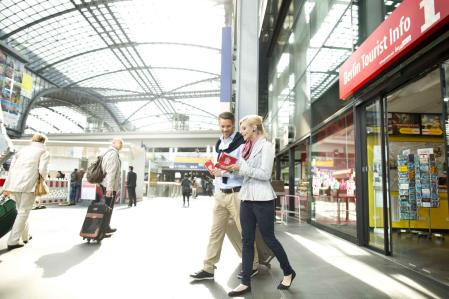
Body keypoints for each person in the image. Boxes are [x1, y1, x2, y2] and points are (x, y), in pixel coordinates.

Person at [225, 115, 296, 297]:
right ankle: (245, 282)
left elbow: (264, 174)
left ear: (255, 127)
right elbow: (246, 173)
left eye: (244, 129)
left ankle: (288, 271)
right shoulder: (246, 148)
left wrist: (241, 169)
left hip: (263, 200)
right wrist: (230, 168)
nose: (242, 133)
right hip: (247, 198)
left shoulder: (267, 146)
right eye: (241, 129)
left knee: (269, 238)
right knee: (246, 240)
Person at [190, 112, 260, 281]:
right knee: (216, 231)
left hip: (237, 193)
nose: (225, 129)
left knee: (245, 232)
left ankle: (253, 265)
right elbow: (221, 167)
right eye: (222, 126)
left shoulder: (242, 142)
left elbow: (245, 168)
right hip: (220, 193)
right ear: (218, 124)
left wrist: (225, 170)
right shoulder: (219, 143)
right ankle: (208, 268)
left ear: (234, 124)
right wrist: (216, 172)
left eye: (228, 126)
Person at [3, 133, 50, 251]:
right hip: (29, 185)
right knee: (23, 212)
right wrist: (43, 180)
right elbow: (43, 170)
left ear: (33, 140)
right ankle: (13, 241)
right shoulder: (43, 152)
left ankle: (25, 236)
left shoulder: (22, 151)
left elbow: (12, 168)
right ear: (44, 142)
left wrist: (7, 186)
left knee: (21, 211)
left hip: (15, 184)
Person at [99, 137, 123, 234]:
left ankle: (105, 227)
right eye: (119, 142)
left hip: (105, 184)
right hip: (109, 186)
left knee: (106, 208)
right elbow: (111, 173)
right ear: (113, 143)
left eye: (122, 143)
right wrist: (109, 189)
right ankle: (103, 229)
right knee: (107, 208)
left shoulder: (107, 153)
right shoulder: (113, 154)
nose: (121, 144)